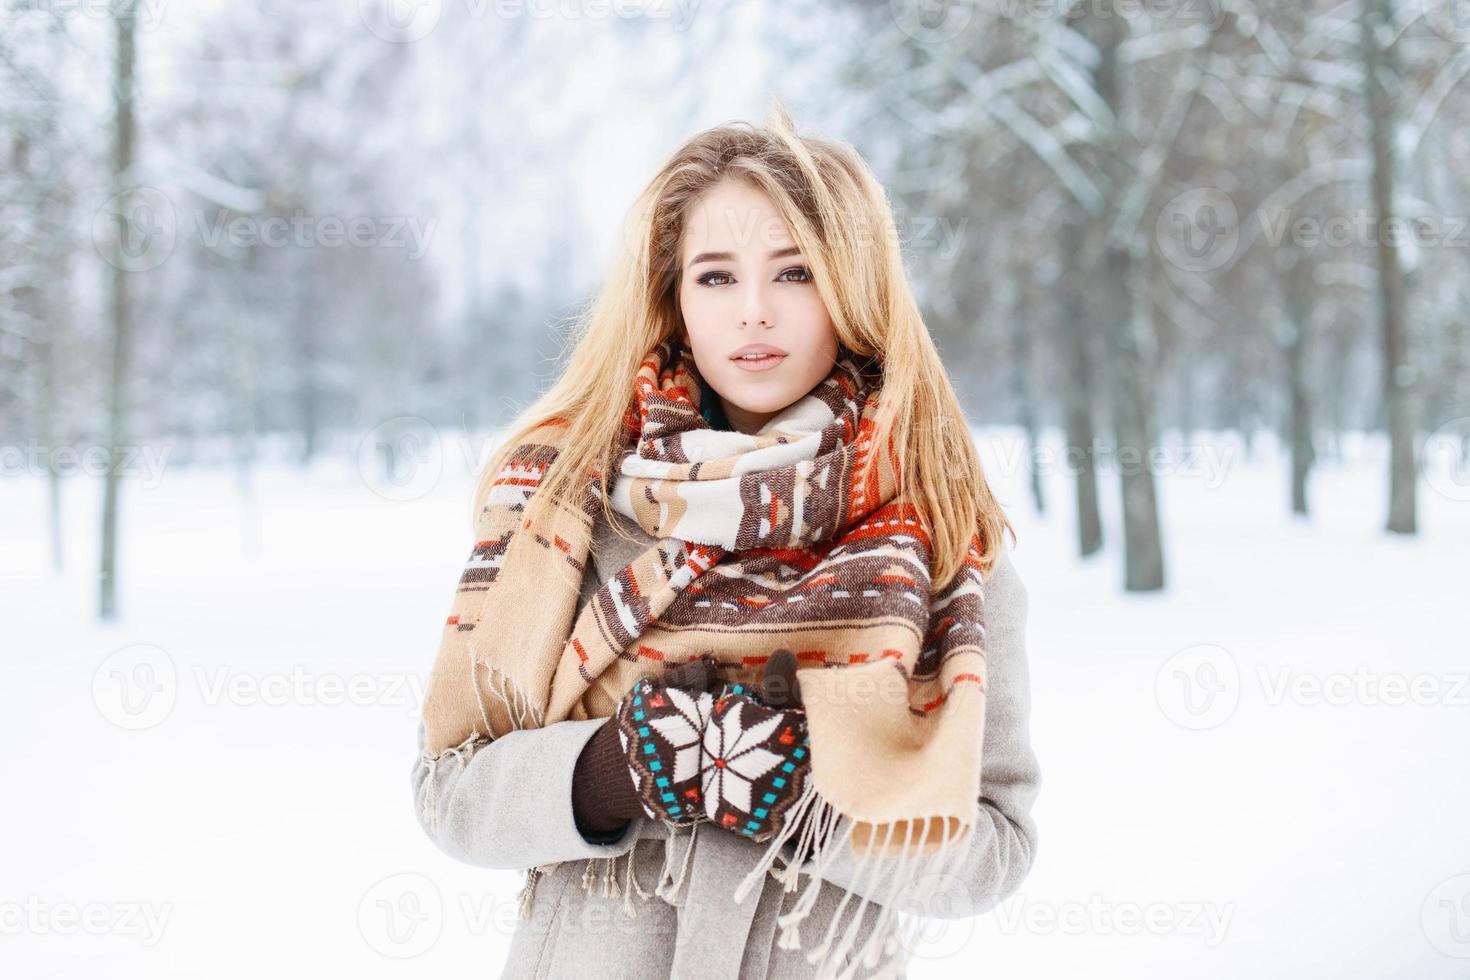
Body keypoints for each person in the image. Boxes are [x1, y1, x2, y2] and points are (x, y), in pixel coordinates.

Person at [410, 101, 1040, 980]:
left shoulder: (937, 523)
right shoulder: (563, 496)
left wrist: (791, 794)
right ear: (671, 294)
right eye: (715, 276)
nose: (753, 313)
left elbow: (993, 850)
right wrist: (620, 766)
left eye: (795, 273)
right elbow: (451, 788)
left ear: (853, 286)